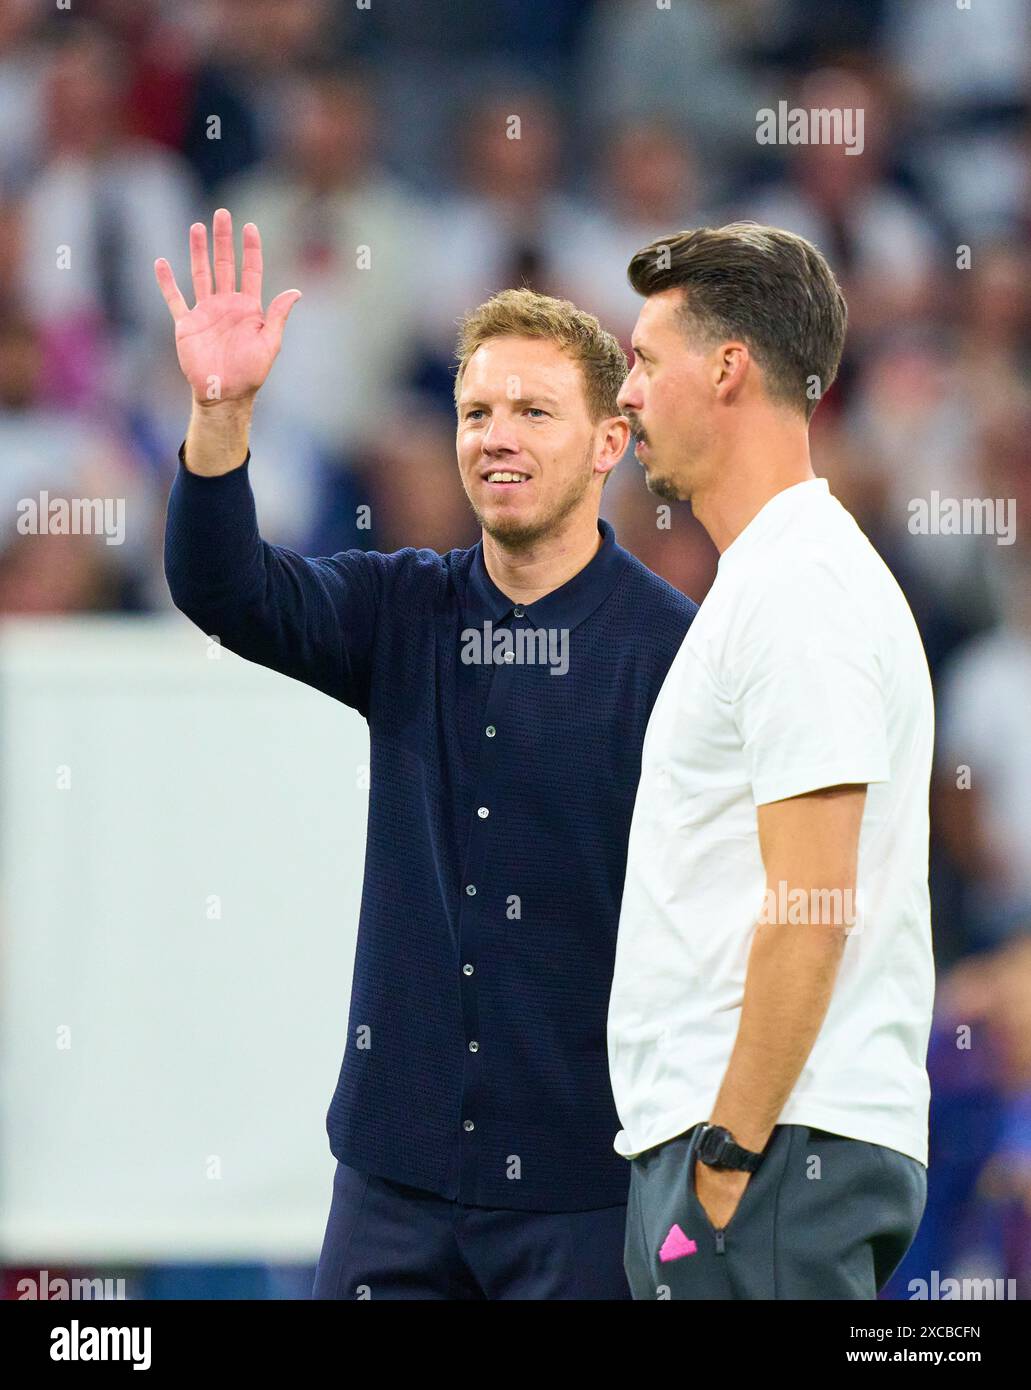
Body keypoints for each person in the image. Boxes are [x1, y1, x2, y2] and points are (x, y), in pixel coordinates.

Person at [154, 209, 696, 1300]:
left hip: (583, 1186)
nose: (495, 435)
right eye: (476, 411)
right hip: (389, 1179)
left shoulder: (674, 652)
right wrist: (221, 413)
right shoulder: (401, 606)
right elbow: (222, 588)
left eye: (532, 412)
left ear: (607, 444)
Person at [609, 222, 934, 1300]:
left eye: (645, 362)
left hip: (770, 1148)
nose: (625, 396)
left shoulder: (798, 588)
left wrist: (723, 1163)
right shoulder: (769, 581)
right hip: (763, 1143)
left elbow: (810, 899)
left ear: (728, 367)